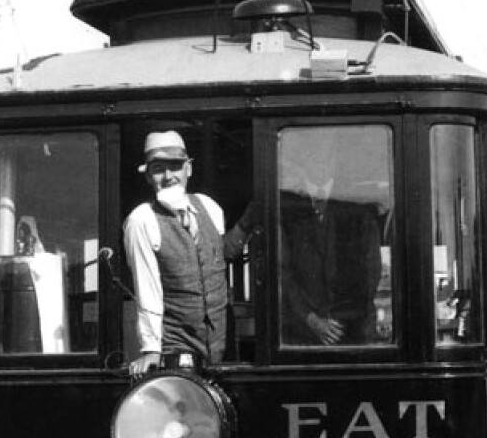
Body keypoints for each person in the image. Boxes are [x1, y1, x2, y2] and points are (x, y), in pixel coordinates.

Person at [123, 130, 255, 376]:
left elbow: (217, 258)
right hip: (177, 349)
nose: (169, 176)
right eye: (159, 169)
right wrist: (151, 348)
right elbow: (147, 287)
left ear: (188, 169)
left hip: (221, 346)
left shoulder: (210, 207)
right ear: (148, 177)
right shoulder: (142, 220)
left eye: (175, 167)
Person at [279, 152, 383, 346]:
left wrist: (339, 320)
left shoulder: (357, 207)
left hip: (354, 332)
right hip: (302, 336)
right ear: (305, 163)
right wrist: (310, 319)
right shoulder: (286, 209)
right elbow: (283, 273)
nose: (320, 161)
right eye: (313, 154)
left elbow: (371, 272)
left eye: (326, 156)